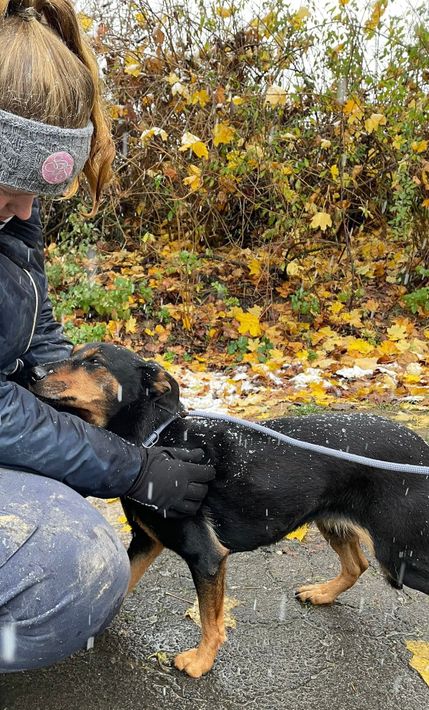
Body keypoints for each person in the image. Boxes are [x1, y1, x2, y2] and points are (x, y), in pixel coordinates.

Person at [0, 0, 215, 672]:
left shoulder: (13, 214)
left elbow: (35, 327)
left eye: (35, 193)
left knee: (72, 505)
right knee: (70, 570)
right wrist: (127, 466)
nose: (24, 210)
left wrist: (75, 396)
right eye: (7, 187)